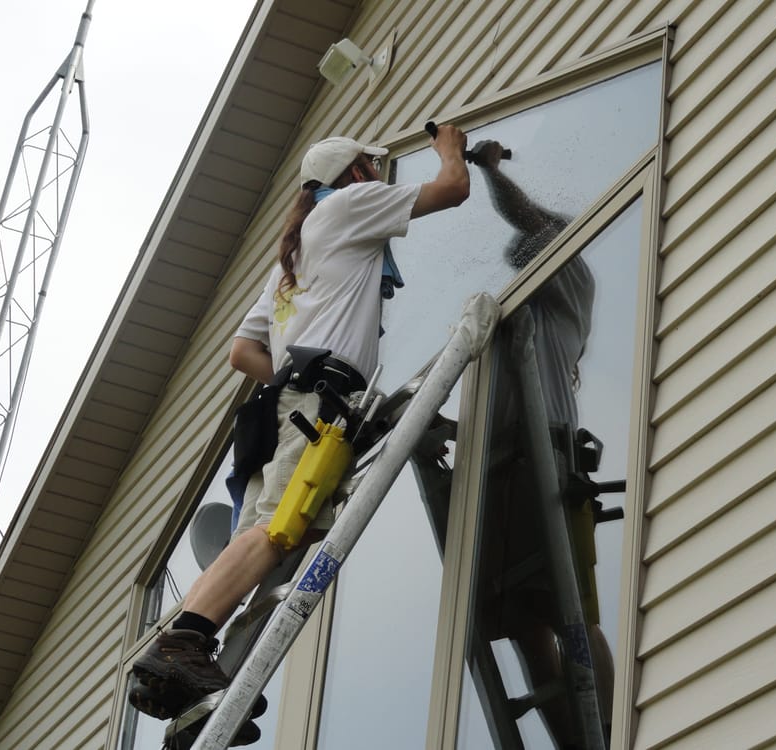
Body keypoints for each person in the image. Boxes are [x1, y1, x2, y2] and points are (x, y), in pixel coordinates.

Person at [128, 126, 469, 726]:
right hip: (315, 405)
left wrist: (294, 375)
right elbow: (451, 190)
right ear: (358, 174)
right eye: (371, 167)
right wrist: (453, 148)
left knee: (268, 533)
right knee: (279, 532)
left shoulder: (292, 251)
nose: (377, 177)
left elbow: (242, 352)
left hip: (284, 404)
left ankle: (191, 667)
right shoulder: (351, 203)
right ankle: (182, 642)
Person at [471, 140, 612, 748]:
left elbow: (525, 219)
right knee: (522, 626)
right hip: (503, 460)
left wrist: (488, 170)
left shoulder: (570, 279)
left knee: (570, 613)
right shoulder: (519, 309)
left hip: (545, 452)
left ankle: (605, 734)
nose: (522, 260)